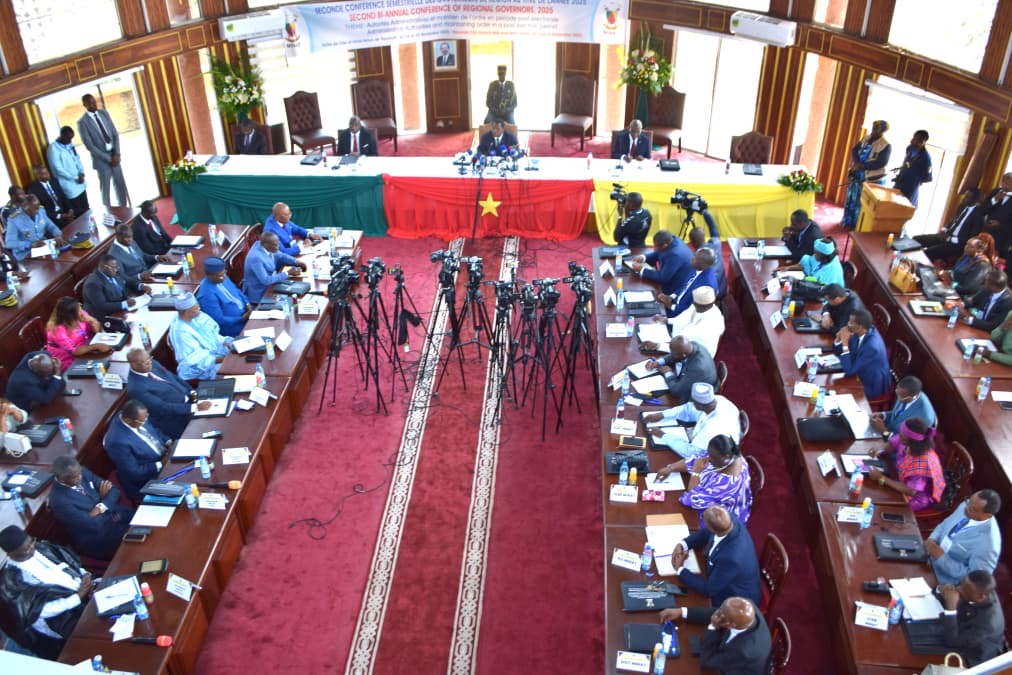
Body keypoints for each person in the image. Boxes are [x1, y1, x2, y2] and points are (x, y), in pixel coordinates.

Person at [0, 525, 91, 659]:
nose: (32, 549)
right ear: (10, 554)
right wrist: (77, 598)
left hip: (83, 591)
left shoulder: (40, 547)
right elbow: (41, 611)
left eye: (31, 542)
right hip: (61, 618)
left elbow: (68, 562)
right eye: (26, 550)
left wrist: (85, 575)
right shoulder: (12, 580)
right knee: (95, 632)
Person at [660, 506, 761, 612]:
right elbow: (706, 532)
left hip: (734, 599)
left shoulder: (731, 559)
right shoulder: (728, 521)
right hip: (721, 576)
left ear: (712, 528)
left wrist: (680, 569)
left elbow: (709, 590)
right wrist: (683, 544)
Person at [48, 456, 132, 561]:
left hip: (114, 513)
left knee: (146, 519)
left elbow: (114, 491)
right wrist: (103, 499)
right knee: (138, 534)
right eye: (75, 477)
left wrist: (100, 506)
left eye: (80, 473)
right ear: (62, 479)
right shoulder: (60, 502)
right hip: (98, 536)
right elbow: (93, 524)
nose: (80, 477)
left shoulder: (79, 471)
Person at [656, 434, 752, 525]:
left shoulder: (727, 484)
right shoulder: (727, 455)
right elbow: (696, 459)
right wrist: (671, 468)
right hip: (706, 496)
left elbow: (691, 499)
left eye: (713, 457)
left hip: (721, 520)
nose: (709, 459)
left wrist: (696, 472)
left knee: (668, 512)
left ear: (725, 457)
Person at [661, 597, 771, 675]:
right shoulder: (746, 607)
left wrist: (713, 626)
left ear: (729, 625)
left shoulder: (743, 651)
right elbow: (717, 613)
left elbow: (708, 661)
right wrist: (681, 612)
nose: (719, 614)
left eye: (723, 617)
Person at [126, 348, 211, 439]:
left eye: (149, 359)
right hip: (176, 418)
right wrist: (196, 407)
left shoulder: (152, 363)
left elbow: (173, 378)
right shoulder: (136, 388)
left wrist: (191, 391)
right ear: (133, 364)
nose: (150, 363)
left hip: (191, 400)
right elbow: (163, 407)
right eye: (145, 362)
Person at [867, 418, 946, 512]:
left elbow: (910, 490)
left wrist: (881, 478)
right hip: (899, 479)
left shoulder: (922, 463)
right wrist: (880, 451)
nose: (899, 435)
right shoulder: (908, 441)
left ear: (909, 440)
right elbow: (894, 443)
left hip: (915, 498)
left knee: (879, 507)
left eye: (901, 435)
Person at [925, 490, 1002, 585]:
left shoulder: (988, 544)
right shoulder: (967, 505)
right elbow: (945, 524)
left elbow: (974, 579)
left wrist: (941, 558)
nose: (966, 508)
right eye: (968, 501)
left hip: (943, 580)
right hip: (927, 558)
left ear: (987, 515)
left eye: (973, 509)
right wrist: (932, 539)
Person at [103, 399, 172, 503]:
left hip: (165, 457)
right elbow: (134, 472)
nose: (145, 421)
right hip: (147, 479)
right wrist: (161, 464)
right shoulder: (117, 442)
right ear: (128, 421)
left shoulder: (137, 416)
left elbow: (154, 431)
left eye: (146, 416)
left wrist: (168, 442)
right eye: (142, 421)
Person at [645, 382, 739, 457]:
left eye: (693, 403)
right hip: (701, 440)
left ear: (700, 405)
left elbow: (691, 453)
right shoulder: (717, 400)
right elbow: (687, 409)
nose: (691, 404)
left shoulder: (712, 428)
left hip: (713, 457)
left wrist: (662, 435)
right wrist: (662, 414)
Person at [938, 571, 1006, 667]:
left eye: (965, 589)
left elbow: (952, 642)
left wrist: (951, 609)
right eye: (962, 584)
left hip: (975, 655)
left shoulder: (988, 623)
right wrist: (942, 589)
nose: (959, 589)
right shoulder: (975, 587)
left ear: (980, 597)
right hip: (962, 627)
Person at [77, 93, 128, 207]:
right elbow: (90, 146)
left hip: (114, 155)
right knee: (106, 189)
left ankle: (124, 209)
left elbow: (115, 134)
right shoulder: (82, 122)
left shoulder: (104, 113)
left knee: (120, 184)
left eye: (94, 101)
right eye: (89, 103)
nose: (93, 104)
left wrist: (117, 154)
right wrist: (109, 159)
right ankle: (108, 212)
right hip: (102, 160)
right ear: (84, 104)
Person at [168, 292, 233, 381]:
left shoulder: (196, 316)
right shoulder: (181, 333)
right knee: (235, 367)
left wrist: (224, 342)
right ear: (187, 312)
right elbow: (195, 362)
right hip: (203, 367)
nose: (199, 308)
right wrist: (225, 359)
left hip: (217, 352)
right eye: (195, 308)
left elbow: (212, 334)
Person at [842, 120, 891, 229]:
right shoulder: (866, 138)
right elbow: (855, 150)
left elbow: (881, 162)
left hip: (870, 177)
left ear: (882, 131)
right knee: (852, 198)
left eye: (876, 129)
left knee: (862, 202)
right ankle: (848, 221)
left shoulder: (885, 145)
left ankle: (857, 225)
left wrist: (863, 166)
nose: (873, 130)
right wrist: (857, 163)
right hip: (856, 172)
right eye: (873, 128)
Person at [833, 309, 891, 400]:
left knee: (837, 393)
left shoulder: (872, 347)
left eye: (851, 323)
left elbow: (850, 371)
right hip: (859, 371)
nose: (848, 324)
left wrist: (844, 343)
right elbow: (844, 351)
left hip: (871, 383)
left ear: (859, 327)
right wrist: (838, 339)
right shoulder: (861, 332)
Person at [914, 188, 985, 263]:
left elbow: (971, 238)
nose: (964, 198)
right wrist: (944, 229)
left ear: (975, 201)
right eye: (965, 196)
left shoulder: (978, 216)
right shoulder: (962, 206)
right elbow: (953, 220)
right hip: (946, 236)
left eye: (967, 197)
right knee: (916, 239)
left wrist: (950, 239)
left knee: (929, 252)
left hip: (956, 244)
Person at [645, 336, 718, 404]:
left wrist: (668, 373)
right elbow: (676, 354)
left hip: (698, 398)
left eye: (674, 354)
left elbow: (676, 391)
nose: (672, 355)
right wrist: (659, 362)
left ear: (683, 355)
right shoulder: (692, 346)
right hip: (693, 379)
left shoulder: (697, 368)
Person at [45, 296, 112, 370]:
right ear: (70, 316)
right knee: (99, 368)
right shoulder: (57, 330)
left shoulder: (81, 314)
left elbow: (96, 331)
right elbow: (74, 351)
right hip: (67, 359)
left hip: (85, 348)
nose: (81, 311)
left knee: (108, 361)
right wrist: (94, 347)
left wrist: (91, 320)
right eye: (79, 310)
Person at [243, 231, 305, 304]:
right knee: (291, 301)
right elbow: (266, 280)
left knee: (299, 289)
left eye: (278, 243)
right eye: (275, 245)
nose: (278, 247)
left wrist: (296, 261)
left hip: (272, 283)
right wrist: (287, 273)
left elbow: (282, 256)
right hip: (260, 294)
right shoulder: (256, 258)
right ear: (265, 245)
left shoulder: (267, 246)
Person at [196, 256, 252, 337]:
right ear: (210, 276)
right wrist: (242, 318)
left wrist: (247, 303)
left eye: (224, 273)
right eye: (221, 275)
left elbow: (237, 291)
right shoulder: (206, 295)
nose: (224, 277)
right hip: (233, 329)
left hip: (246, 315)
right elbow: (219, 319)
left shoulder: (222, 277)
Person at [82, 254, 149, 319]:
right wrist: (125, 304)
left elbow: (129, 280)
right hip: (107, 316)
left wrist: (140, 286)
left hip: (125, 306)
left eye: (117, 267)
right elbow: (102, 306)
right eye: (113, 267)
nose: (116, 269)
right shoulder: (93, 284)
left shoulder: (115, 271)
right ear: (104, 267)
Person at [665, 286, 725, 357]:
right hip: (678, 343)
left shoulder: (711, 323)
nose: (694, 306)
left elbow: (683, 347)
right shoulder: (697, 307)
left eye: (697, 305)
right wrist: (667, 320)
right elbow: (682, 318)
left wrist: (658, 346)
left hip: (694, 357)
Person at [108, 222, 172, 288]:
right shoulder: (113, 255)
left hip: (150, 273)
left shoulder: (130, 241)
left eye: (131, 237)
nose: (130, 240)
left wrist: (157, 257)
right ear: (118, 237)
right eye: (127, 238)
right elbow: (122, 278)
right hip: (138, 283)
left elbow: (143, 256)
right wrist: (140, 276)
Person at [630, 230, 693, 295]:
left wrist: (642, 270)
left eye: (656, 246)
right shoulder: (671, 239)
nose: (654, 248)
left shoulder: (675, 255)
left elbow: (663, 278)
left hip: (676, 288)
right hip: (670, 277)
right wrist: (643, 257)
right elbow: (658, 253)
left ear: (665, 245)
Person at [870, 375, 936, 437]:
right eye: (897, 392)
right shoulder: (906, 393)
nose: (898, 398)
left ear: (914, 397)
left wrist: (883, 431)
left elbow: (904, 444)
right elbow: (897, 414)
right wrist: (883, 415)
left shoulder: (924, 417)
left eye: (901, 396)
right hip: (888, 430)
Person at [659, 248, 718, 317]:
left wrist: (671, 306)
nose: (692, 258)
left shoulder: (706, 286)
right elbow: (685, 286)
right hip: (675, 302)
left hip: (680, 315)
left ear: (704, 264)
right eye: (694, 255)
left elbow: (692, 310)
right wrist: (671, 296)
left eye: (696, 258)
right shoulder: (697, 268)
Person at [4, 194, 65, 260]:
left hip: (43, 249)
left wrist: (57, 234)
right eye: (35, 209)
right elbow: (9, 243)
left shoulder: (41, 210)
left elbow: (51, 226)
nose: (38, 211)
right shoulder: (14, 220)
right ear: (25, 207)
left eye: (38, 207)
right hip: (26, 255)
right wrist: (30, 244)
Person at [46, 125, 89, 215]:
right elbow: (58, 169)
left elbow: (77, 158)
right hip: (69, 185)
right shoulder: (53, 148)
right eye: (68, 138)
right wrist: (75, 178)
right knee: (78, 212)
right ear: (62, 135)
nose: (70, 141)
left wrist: (81, 172)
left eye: (71, 138)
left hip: (80, 183)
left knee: (86, 209)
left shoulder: (69, 145)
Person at [941, 235, 996, 302]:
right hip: (952, 288)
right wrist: (947, 273)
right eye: (966, 244)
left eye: (970, 246)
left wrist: (951, 283)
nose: (965, 247)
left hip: (964, 298)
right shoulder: (967, 256)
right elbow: (956, 270)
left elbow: (968, 288)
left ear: (978, 250)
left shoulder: (982, 266)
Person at [776, 236, 844, 287]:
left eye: (817, 253)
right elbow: (806, 263)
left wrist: (798, 280)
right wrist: (788, 268)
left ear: (824, 256)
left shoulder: (832, 269)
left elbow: (819, 285)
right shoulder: (822, 258)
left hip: (826, 297)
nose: (814, 255)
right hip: (811, 284)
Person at [689, 216, 727, 301]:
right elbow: (713, 228)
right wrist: (705, 213)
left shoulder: (697, 258)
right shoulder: (717, 243)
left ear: (694, 242)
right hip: (722, 289)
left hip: (709, 296)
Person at [893, 130, 932, 207]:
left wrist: (915, 179)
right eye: (914, 138)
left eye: (919, 141)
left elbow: (927, 178)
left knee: (902, 210)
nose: (914, 142)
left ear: (923, 142)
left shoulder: (926, 158)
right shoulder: (909, 148)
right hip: (899, 184)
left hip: (910, 190)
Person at [983, 172, 1012, 260]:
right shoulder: (995, 192)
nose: (1004, 185)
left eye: (1008, 183)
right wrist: (994, 200)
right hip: (987, 232)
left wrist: (1000, 224)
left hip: (1003, 238)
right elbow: (983, 209)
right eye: (1003, 181)